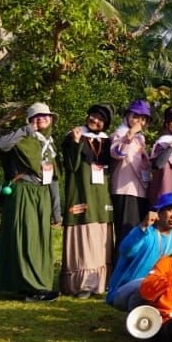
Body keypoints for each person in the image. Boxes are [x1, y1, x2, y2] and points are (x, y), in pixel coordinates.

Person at [0, 103, 61, 301]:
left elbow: (53, 178)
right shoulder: (21, 139)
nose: (41, 119)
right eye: (36, 117)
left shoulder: (49, 144)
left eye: (45, 116)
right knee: (26, 240)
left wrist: (56, 211)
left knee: (40, 241)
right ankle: (34, 287)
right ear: (30, 120)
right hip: (24, 193)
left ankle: (35, 284)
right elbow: (2, 144)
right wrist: (26, 130)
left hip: (42, 195)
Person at [60, 103, 114, 297]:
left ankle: (101, 282)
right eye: (93, 116)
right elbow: (70, 165)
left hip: (102, 197)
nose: (95, 121)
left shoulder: (108, 141)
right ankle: (81, 284)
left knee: (101, 239)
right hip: (81, 193)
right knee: (83, 237)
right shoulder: (74, 136)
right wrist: (75, 143)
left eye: (101, 120)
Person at [108, 192, 172, 312]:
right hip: (126, 291)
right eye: (170, 210)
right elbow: (125, 250)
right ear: (158, 212)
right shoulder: (144, 232)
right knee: (146, 284)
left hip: (157, 289)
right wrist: (143, 226)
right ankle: (137, 325)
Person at [109, 99, 152, 243]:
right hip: (125, 189)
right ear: (127, 116)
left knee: (138, 231)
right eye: (135, 117)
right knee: (126, 233)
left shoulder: (141, 138)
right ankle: (121, 265)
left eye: (143, 119)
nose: (139, 122)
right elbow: (116, 153)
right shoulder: (120, 134)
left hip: (140, 189)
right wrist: (129, 136)